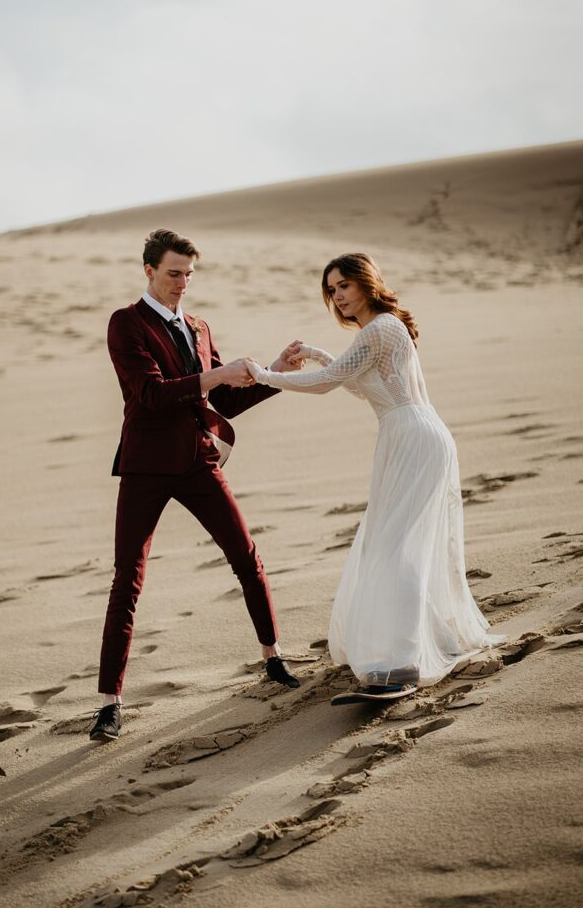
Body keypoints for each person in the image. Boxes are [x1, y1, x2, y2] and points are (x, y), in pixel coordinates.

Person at [248, 252, 498, 699]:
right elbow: (356, 382)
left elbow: (327, 382)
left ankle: (400, 662)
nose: (338, 296)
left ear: (367, 282)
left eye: (343, 285)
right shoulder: (377, 331)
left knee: (396, 547)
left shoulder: (381, 327)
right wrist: (316, 354)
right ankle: (402, 651)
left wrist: (263, 376)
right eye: (331, 290)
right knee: (394, 544)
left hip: (413, 438)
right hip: (407, 437)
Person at [90, 229, 303, 742]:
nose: (182, 283)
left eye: (188, 274)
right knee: (128, 579)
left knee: (246, 556)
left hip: (199, 463)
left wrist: (274, 374)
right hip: (145, 467)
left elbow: (223, 402)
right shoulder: (127, 323)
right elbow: (151, 395)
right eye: (172, 273)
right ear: (148, 271)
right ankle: (109, 704)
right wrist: (221, 374)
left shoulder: (199, 326)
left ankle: (272, 659)